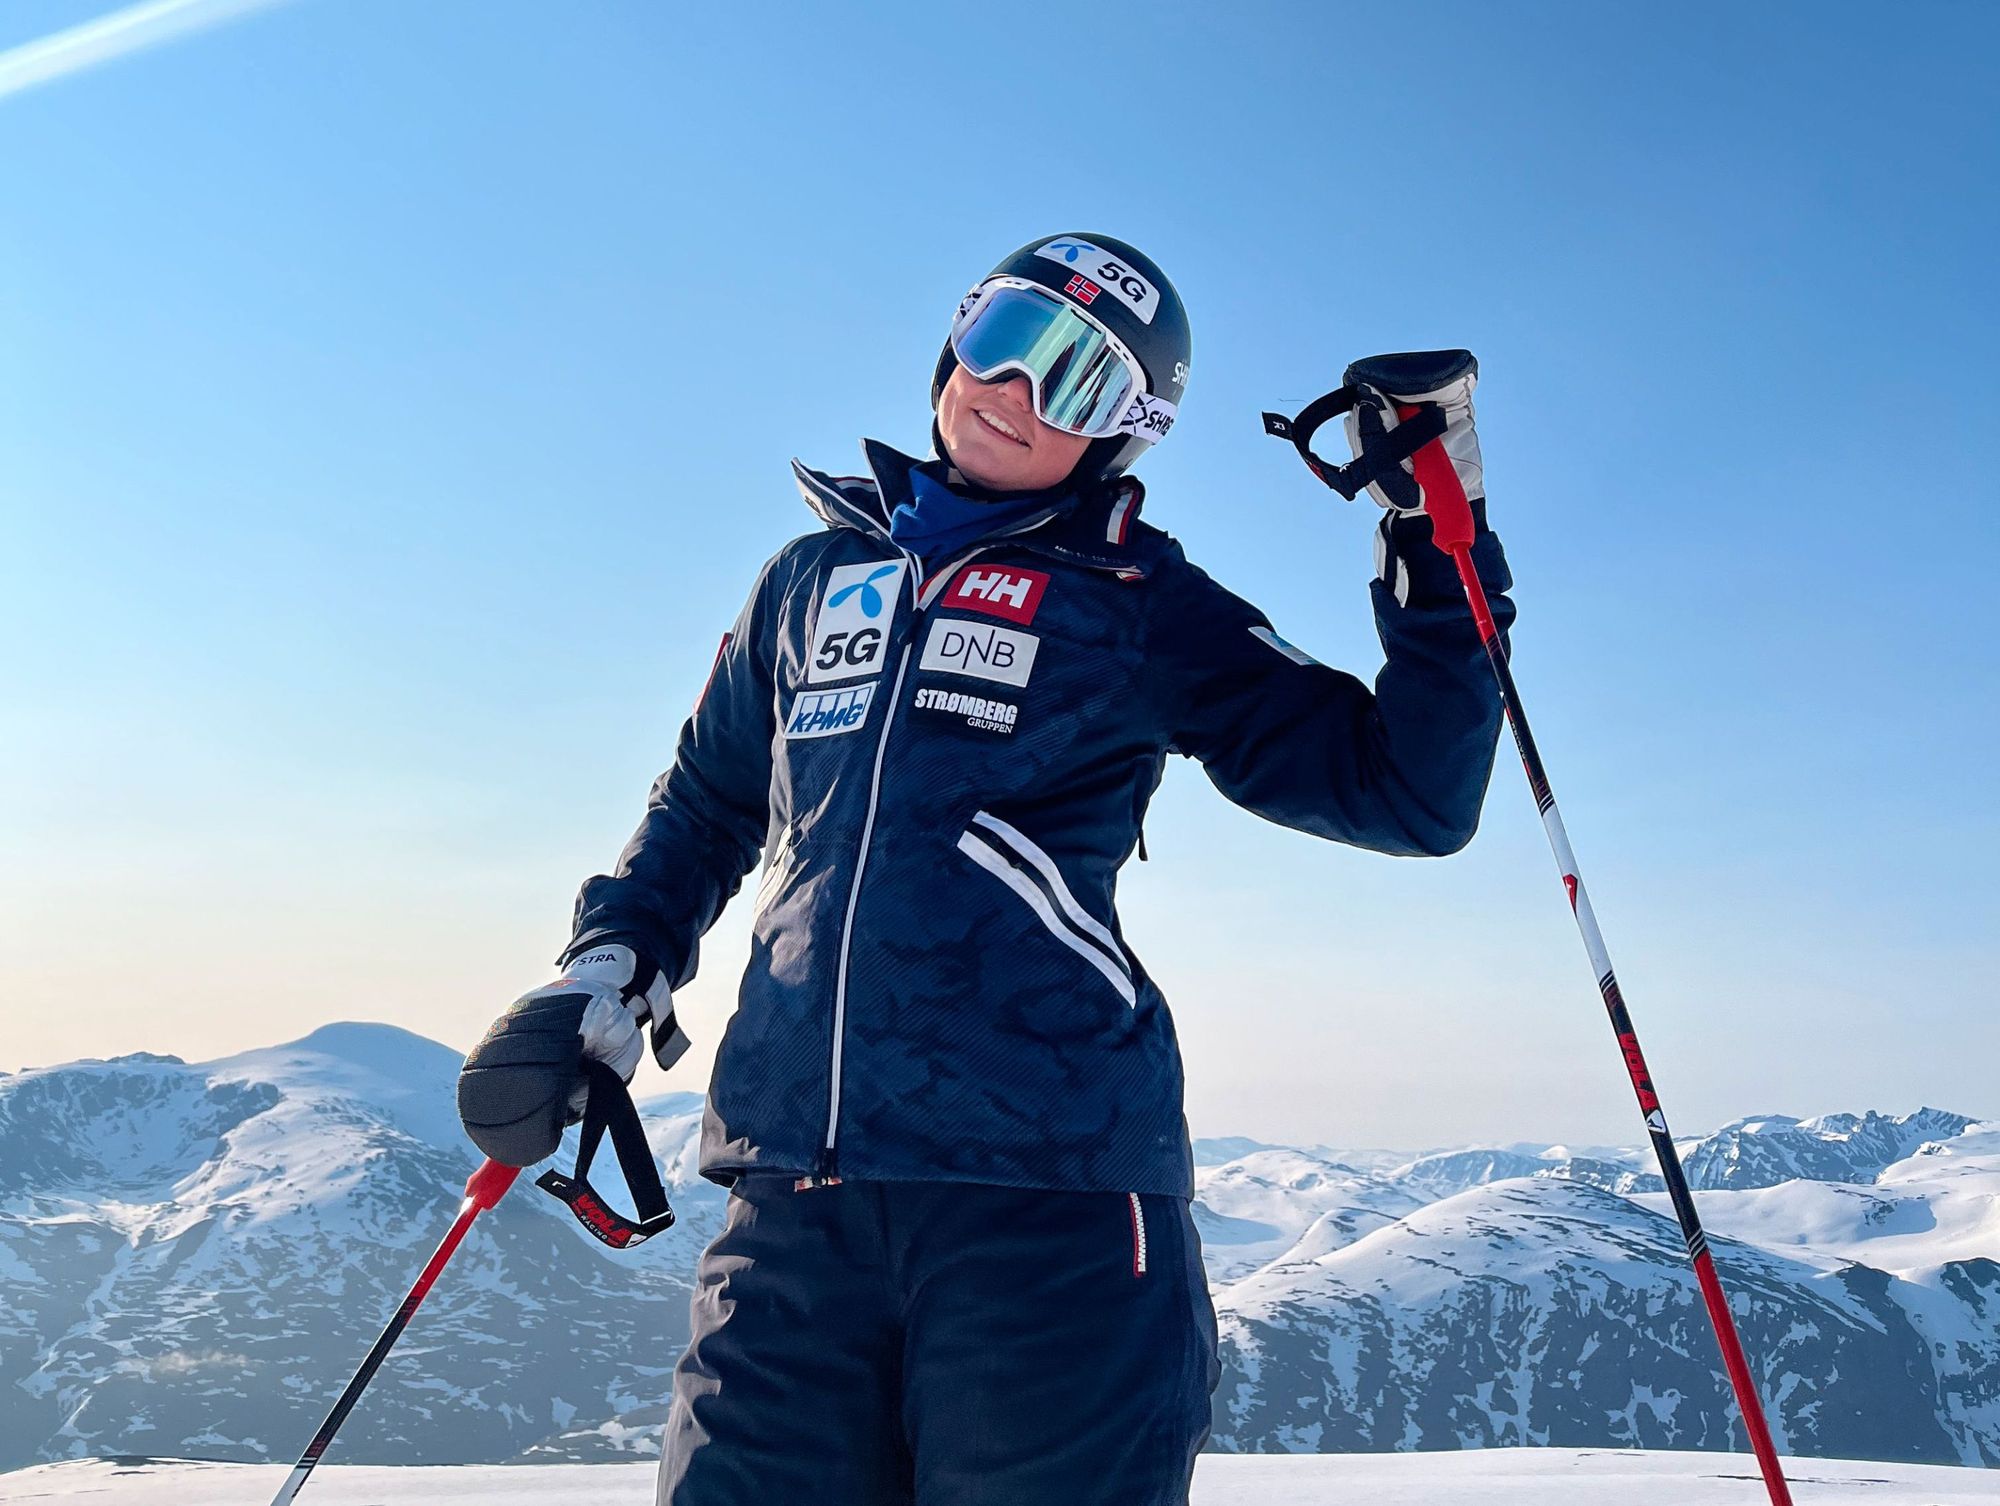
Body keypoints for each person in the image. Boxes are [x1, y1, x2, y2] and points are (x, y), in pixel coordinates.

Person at [459, 233, 1516, 1505]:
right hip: (790, 1203)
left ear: (1124, 425)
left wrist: (1433, 538)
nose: (1010, 391)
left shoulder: (1136, 599)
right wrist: (604, 978)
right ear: (952, 341)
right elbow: (705, 807)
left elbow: (1405, 792)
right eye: (1000, 339)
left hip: (1051, 1213)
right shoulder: (807, 582)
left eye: (1071, 379)